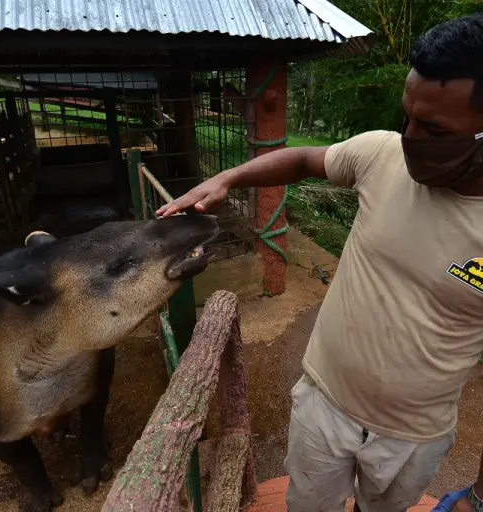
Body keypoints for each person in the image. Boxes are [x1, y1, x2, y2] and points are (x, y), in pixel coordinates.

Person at [156, 14, 483, 512]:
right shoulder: (382, 156)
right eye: (407, 117)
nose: (410, 136)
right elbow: (307, 158)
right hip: (324, 405)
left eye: (434, 129)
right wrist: (227, 178)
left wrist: (479, 497)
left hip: (414, 436)